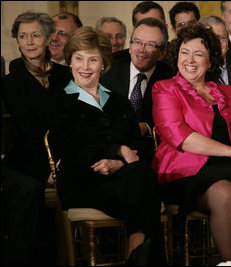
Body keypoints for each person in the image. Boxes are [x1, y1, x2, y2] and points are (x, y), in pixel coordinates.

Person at [152, 23, 231, 266]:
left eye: (199, 54)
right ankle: (230, 264)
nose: (190, 60)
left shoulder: (228, 92)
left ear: (211, 60)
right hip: (184, 169)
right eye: (185, 52)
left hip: (228, 165)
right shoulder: (164, 88)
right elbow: (181, 137)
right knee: (227, 194)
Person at [50, 26, 162, 266]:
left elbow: (136, 148)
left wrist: (118, 162)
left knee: (140, 174)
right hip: (82, 181)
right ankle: (140, 253)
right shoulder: (60, 100)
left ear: (103, 63)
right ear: (69, 61)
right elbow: (69, 149)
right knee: (143, 184)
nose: (85, 66)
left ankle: (136, 253)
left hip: (124, 179)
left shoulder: (120, 102)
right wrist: (116, 150)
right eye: (78, 58)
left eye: (93, 59)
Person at [1, 11, 72, 265]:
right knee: (28, 191)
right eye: (23, 36)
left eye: (35, 35)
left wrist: (65, 162)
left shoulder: (67, 76)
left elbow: (73, 124)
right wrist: (48, 170)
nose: (29, 42)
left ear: (48, 37)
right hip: (29, 160)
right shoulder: (9, 83)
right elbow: (26, 133)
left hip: (67, 156)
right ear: (16, 41)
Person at [100, 18, 174, 160]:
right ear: (130, 44)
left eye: (150, 44)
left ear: (163, 53)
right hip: (108, 148)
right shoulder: (108, 68)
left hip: (149, 154)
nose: (142, 49)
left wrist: (146, 126)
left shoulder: (170, 77)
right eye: (138, 42)